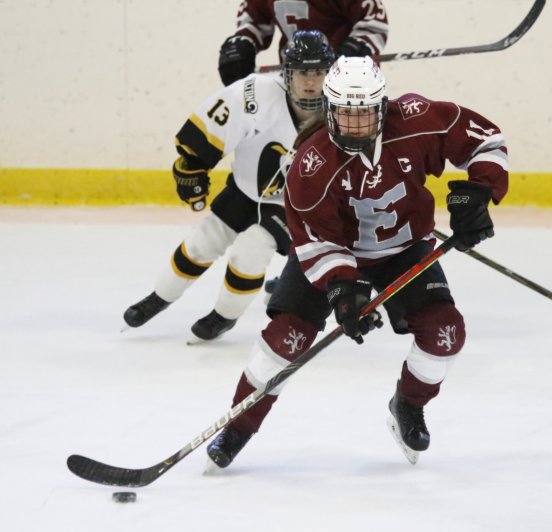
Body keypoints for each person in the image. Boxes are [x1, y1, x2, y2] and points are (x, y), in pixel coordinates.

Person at [206, 56, 509, 466]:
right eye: (346, 116)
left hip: (402, 252)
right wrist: (343, 290)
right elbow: (314, 240)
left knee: (446, 333)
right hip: (331, 256)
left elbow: (484, 139)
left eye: (366, 115)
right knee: (285, 339)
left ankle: (408, 406)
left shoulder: (417, 119)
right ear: (329, 110)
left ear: (383, 107)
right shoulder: (310, 165)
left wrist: (478, 192)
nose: (356, 127)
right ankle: (238, 427)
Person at [122, 31, 336, 342]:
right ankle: (158, 298)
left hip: (294, 207)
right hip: (244, 189)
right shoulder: (256, 95)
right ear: (286, 73)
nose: (310, 82)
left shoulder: (346, 111)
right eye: (303, 72)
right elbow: (212, 126)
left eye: (318, 72)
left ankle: (224, 316)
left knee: (250, 251)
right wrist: (191, 166)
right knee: (202, 242)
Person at [218, 0, 389, 86]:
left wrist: (355, 49)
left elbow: (373, 22)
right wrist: (243, 44)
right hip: (295, 82)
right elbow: (255, 19)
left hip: (348, 85)